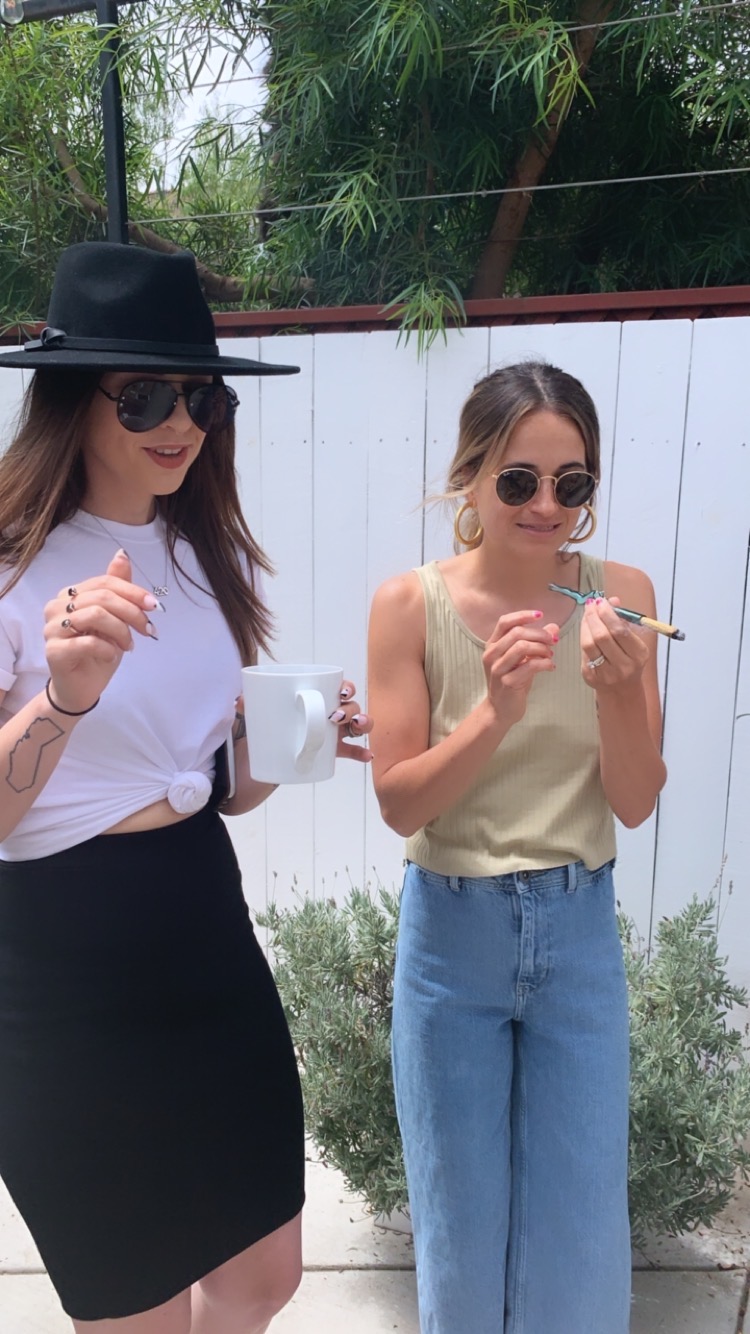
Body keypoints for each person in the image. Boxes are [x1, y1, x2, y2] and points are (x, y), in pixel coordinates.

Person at [0, 241, 373, 1334]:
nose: (183, 422)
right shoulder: (13, 563)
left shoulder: (211, 555)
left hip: (205, 931)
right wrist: (65, 695)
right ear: (70, 401)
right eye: (147, 397)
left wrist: (287, 745)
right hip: (60, 970)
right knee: (137, 1310)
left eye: (203, 396)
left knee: (264, 1274)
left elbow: (210, 785)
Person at [367, 361, 666, 1334]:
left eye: (571, 482)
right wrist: (495, 711)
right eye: (518, 480)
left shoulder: (622, 599)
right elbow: (400, 804)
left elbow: (635, 801)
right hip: (452, 937)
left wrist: (616, 692)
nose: (546, 505)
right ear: (469, 477)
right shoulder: (409, 605)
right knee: (459, 1238)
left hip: (578, 930)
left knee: (582, 1242)